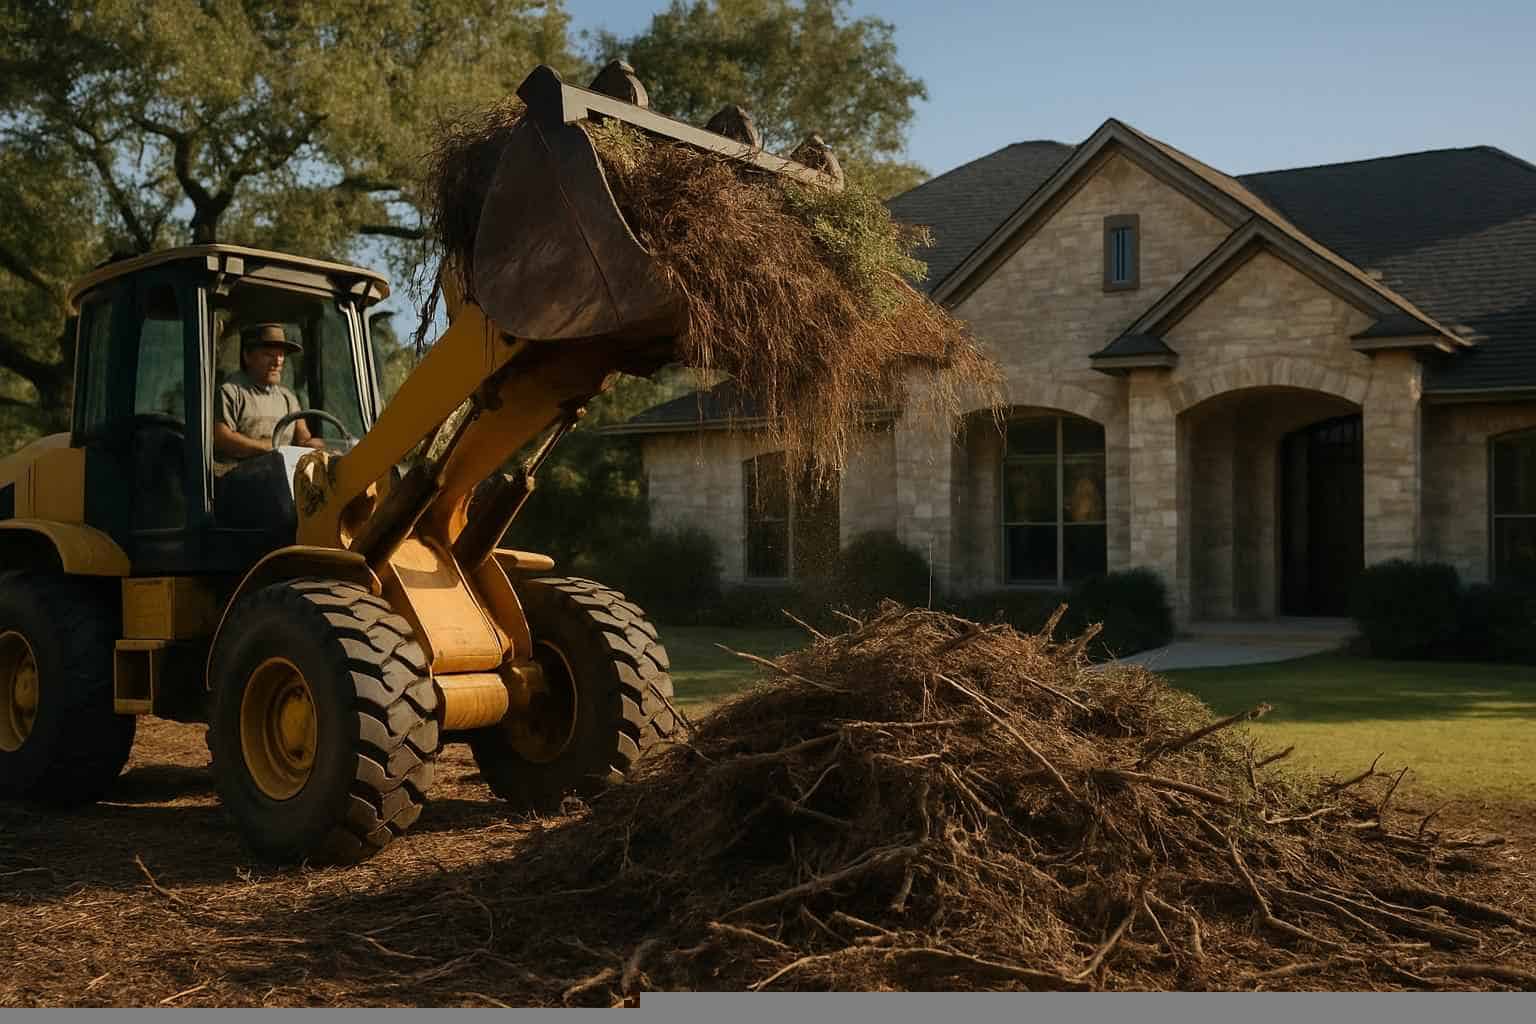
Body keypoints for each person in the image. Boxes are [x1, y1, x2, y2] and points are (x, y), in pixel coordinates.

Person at [213, 323, 326, 466]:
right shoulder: (231, 392)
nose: (277, 362)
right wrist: (269, 449)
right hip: (240, 479)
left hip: (281, 476)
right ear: (247, 356)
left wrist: (312, 445)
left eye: (281, 355)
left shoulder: (288, 399)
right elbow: (222, 438)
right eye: (269, 355)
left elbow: (302, 438)